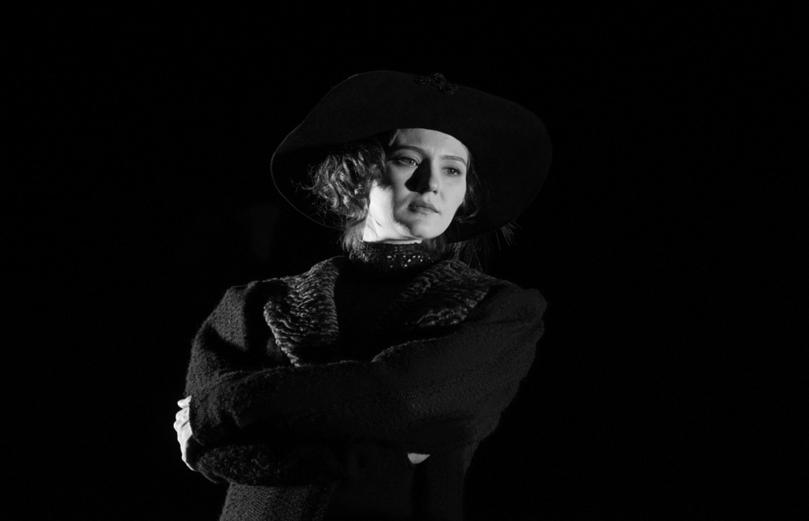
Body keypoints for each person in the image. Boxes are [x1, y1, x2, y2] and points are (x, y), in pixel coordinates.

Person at [174, 71, 552, 520]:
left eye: (453, 169)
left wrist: (220, 408)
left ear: (464, 194)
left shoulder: (498, 310)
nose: (431, 182)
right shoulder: (254, 305)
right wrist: (379, 456)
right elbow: (211, 453)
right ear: (356, 173)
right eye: (408, 160)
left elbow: (400, 397)